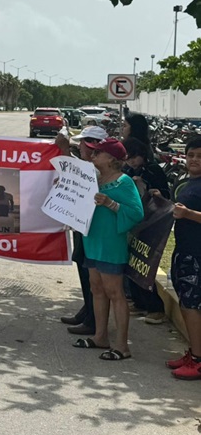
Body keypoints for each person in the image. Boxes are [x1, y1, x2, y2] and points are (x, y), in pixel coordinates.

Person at [72, 138, 143, 361]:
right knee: (97, 289)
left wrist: (111, 204)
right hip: (93, 240)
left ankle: (122, 346)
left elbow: (136, 212)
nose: (94, 156)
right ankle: (100, 336)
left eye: (99, 153)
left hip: (111, 243)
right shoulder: (95, 179)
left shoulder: (123, 182)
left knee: (115, 292)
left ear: (112, 158)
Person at [58, 125, 109, 336]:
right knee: (83, 266)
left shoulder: (96, 169)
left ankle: (93, 320)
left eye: (83, 143)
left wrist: (63, 150)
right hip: (83, 224)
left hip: (92, 228)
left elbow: (74, 171)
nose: (79, 147)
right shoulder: (89, 165)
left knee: (91, 275)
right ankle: (87, 310)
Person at [122, 137, 170, 324]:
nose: (132, 162)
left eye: (134, 157)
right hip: (135, 222)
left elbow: (166, 196)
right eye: (128, 158)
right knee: (132, 263)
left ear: (142, 155)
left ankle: (155, 307)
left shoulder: (153, 170)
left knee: (145, 264)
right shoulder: (127, 171)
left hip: (152, 222)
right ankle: (139, 302)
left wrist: (153, 191)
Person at [166, 136, 201, 379]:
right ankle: (193, 352)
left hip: (197, 255)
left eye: (200, 156)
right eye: (190, 155)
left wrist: (188, 214)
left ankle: (198, 360)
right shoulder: (190, 182)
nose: (194, 160)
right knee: (184, 303)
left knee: (191, 306)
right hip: (184, 250)